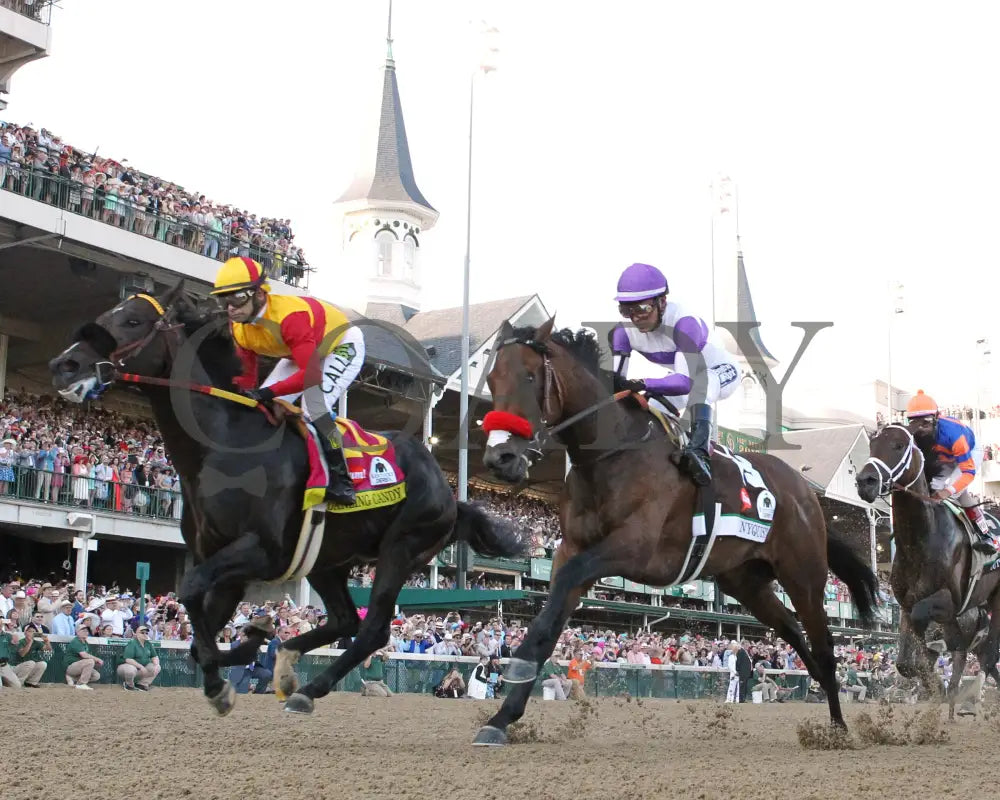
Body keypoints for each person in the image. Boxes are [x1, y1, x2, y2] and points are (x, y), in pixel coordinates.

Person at [210, 256, 365, 505]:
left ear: (260, 293)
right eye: (224, 300)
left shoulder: (291, 318)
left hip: (341, 344)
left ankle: (342, 480)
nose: (230, 308)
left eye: (237, 298)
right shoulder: (239, 327)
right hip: (300, 351)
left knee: (314, 408)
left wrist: (267, 393)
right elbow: (248, 380)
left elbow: (311, 375)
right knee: (263, 408)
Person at [609, 263, 739, 486]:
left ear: (662, 302)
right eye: (626, 310)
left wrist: (641, 382)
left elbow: (685, 382)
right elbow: (615, 387)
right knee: (648, 405)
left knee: (702, 386)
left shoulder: (684, 323)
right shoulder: (622, 332)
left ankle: (699, 454)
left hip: (719, 372)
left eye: (641, 308)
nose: (635, 318)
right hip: (683, 378)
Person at [906, 389, 996, 554]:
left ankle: (986, 536)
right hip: (943, 457)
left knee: (957, 493)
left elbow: (968, 473)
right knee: (931, 492)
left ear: (936, 417)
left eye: (925, 422)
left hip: (968, 453)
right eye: (914, 423)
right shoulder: (911, 437)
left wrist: (948, 491)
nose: (920, 429)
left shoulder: (954, 434)